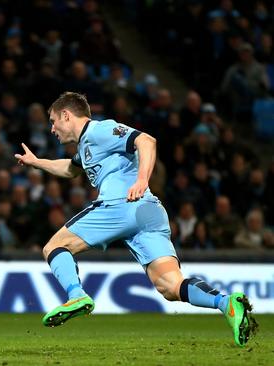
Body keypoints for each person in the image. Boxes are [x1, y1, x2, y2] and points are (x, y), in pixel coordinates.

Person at [14, 92, 256, 347]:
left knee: (54, 247)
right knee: (170, 286)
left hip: (121, 206)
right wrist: (36, 162)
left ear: (67, 115)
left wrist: (141, 179)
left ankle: (76, 295)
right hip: (148, 213)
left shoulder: (100, 130)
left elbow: (147, 141)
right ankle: (226, 303)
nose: (52, 129)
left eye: (53, 121)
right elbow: (70, 169)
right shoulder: (87, 146)